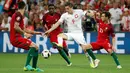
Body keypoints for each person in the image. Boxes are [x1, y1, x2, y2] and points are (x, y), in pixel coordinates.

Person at [44, 2, 100, 68]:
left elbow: (87, 13)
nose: (66, 10)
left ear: (71, 7)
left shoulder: (79, 12)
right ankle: (60, 44)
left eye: (67, 9)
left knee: (85, 48)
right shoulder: (64, 15)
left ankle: (94, 60)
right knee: (59, 35)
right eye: (65, 9)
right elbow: (57, 23)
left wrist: (91, 13)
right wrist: (49, 30)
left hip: (78, 34)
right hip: (70, 33)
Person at [10, 1, 43, 72]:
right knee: (33, 46)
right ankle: (26, 65)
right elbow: (16, 27)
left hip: (17, 38)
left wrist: (36, 32)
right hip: (16, 38)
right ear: (25, 7)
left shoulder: (18, 16)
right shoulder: (18, 15)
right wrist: (25, 34)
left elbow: (24, 29)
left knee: (36, 47)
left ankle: (34, 67)